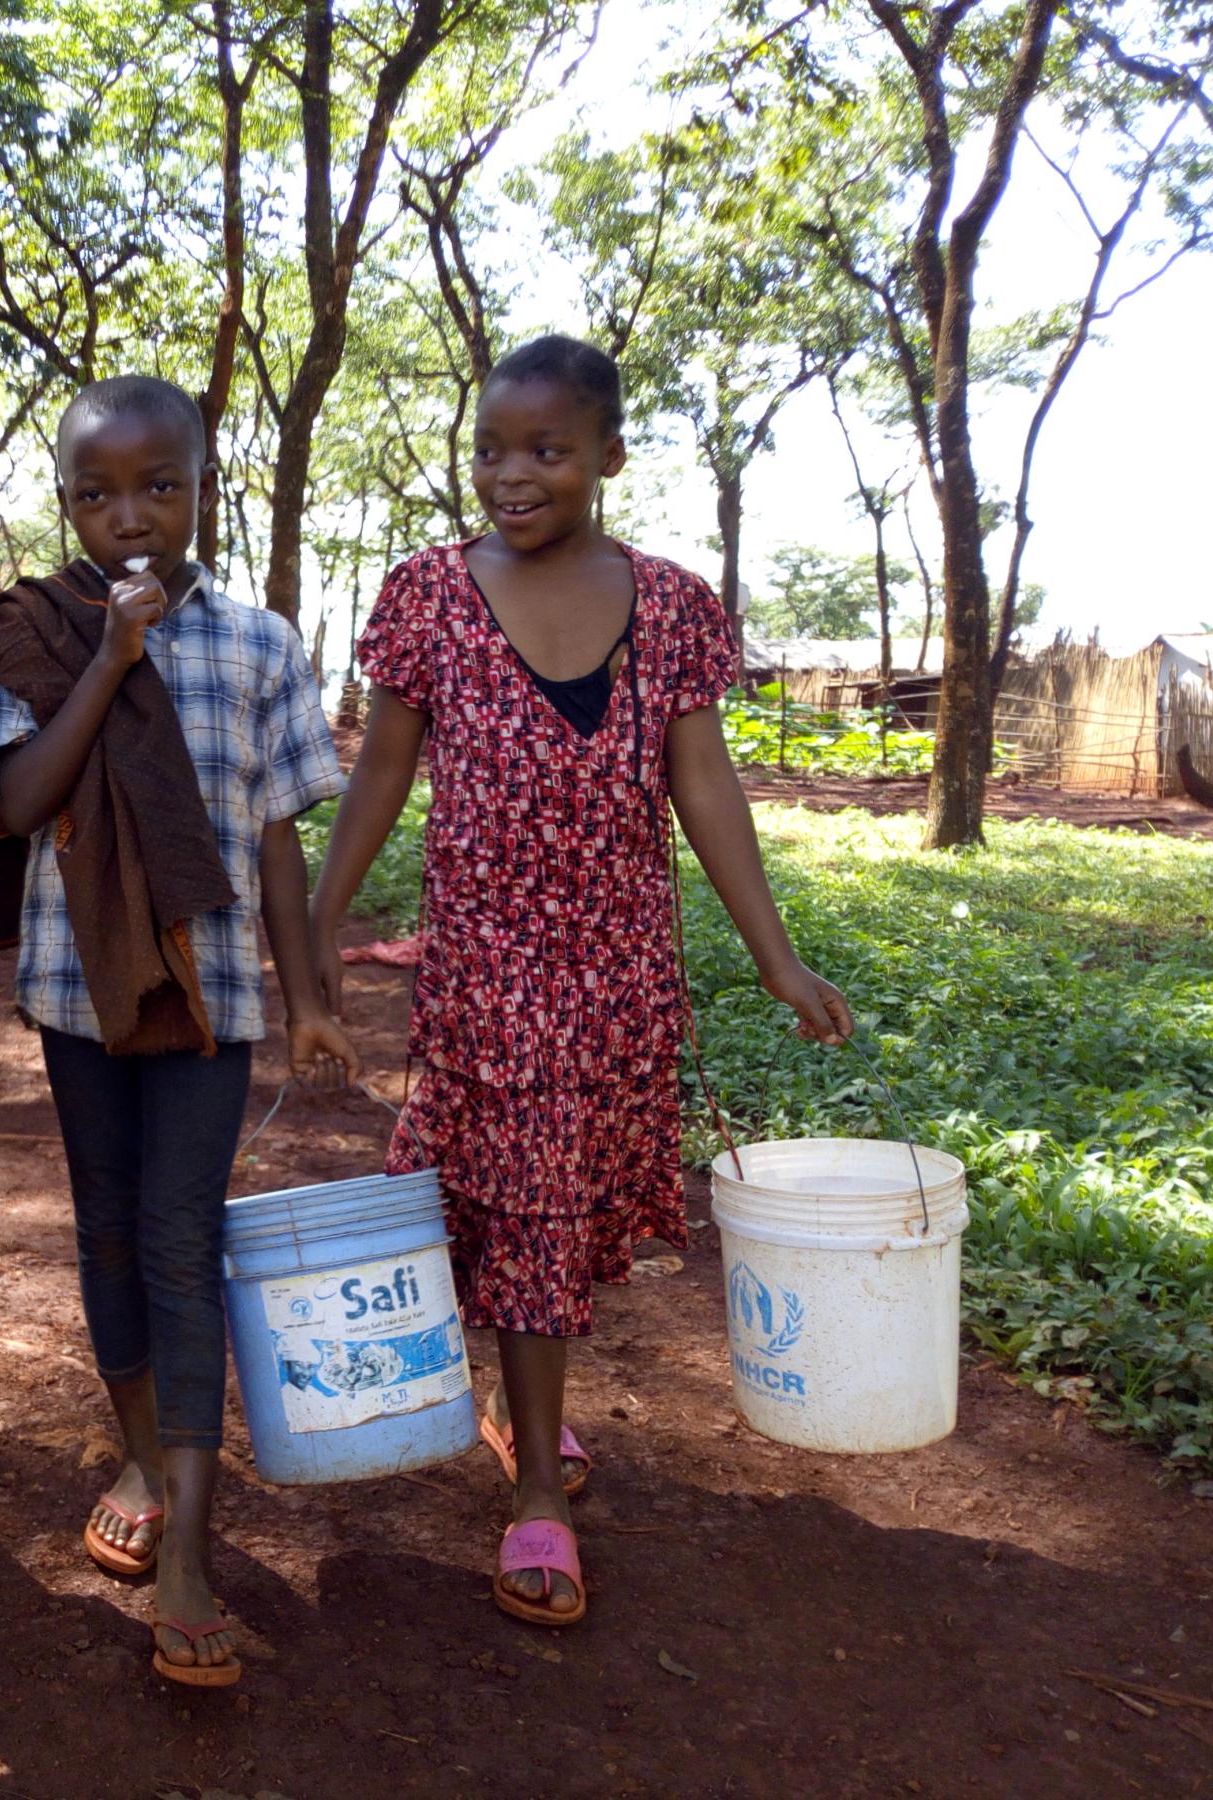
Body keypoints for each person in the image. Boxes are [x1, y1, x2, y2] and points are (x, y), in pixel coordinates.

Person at [308, 334, 852, 1629]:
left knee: (549, 1208)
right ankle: (539, 1488)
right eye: (492, 449)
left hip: (618, 972)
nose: (512, 474)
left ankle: (524, 1404)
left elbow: (704, 784)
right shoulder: (429, 595)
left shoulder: (671, 605)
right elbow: (383, 770)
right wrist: (316, 926)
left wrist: (775, 956)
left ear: (607, 454)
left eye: (547, 450)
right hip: (486, 971)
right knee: (522, 1199)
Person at [0, 376, 357, 1688]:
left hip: (211, 1001)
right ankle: (141, 1455)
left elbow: (281, 846)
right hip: (81, 991)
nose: (128, 516)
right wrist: (109, 661)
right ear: (65, 501)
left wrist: (309, 1002)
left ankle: (187, 1538)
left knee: (182, 1244)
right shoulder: (37, 636)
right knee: (110, 1231)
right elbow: (20, 804)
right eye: (96, 494)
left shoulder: (260, 646)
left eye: (158, 487)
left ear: (201, 488)